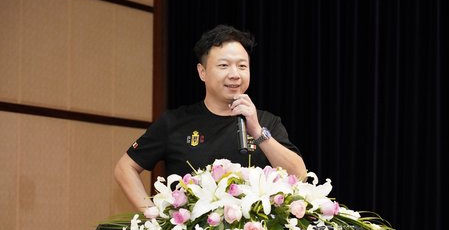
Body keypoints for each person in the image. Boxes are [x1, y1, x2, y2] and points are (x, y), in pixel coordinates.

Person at [114, 24, 307, 211]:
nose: (234, 74)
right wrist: (152, 215)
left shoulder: (267, 122)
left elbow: (299, 175)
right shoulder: (174, 122)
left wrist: (257, 131)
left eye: (242, 66)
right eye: (224, 65)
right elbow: (125, 168)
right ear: (202, 72)